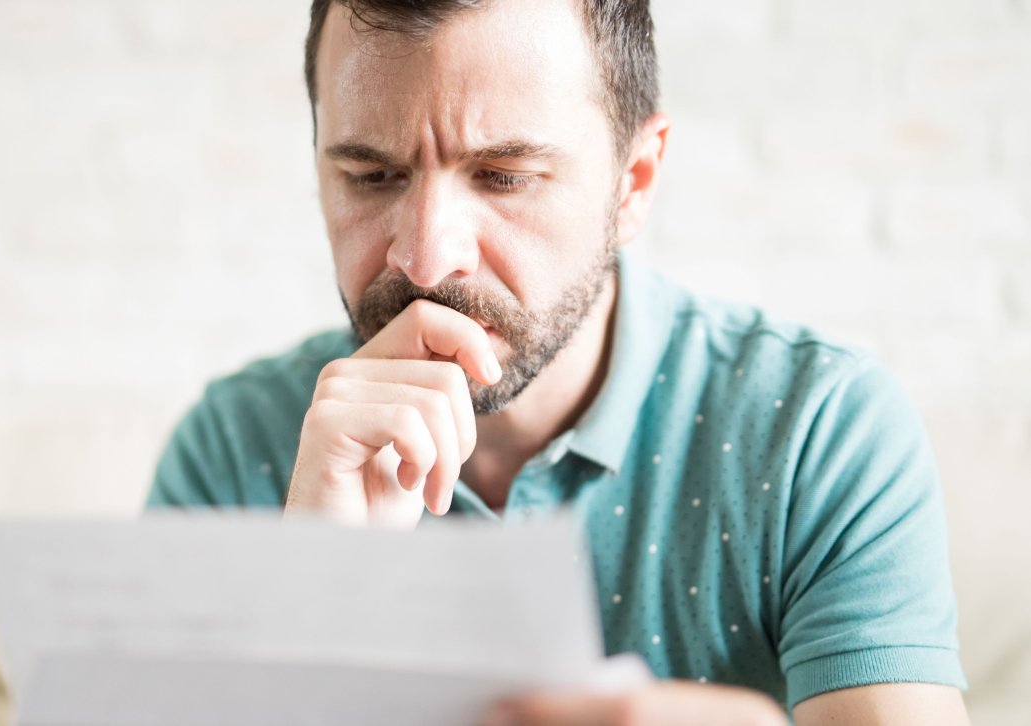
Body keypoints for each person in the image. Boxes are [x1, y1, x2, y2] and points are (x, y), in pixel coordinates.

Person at [147, 0, 970, 722]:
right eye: (371, 175)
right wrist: (305, 598)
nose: (427, 261)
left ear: (634, 181)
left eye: (504, 177)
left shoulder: (815, 431)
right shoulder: (233, 447)